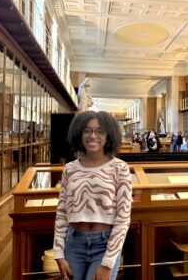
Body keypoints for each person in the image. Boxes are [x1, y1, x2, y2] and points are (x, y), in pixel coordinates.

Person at [53, 111, 132, 280]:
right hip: (74, 244)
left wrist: (107, 263)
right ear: (80, 134)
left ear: (108, 135)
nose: (93, 136)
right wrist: (58, 253)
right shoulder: (70, 169)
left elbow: (123, 218)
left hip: (104, 244)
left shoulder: (120, 168)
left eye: (100, 131)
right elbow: (61, 213)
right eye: (87, 130)